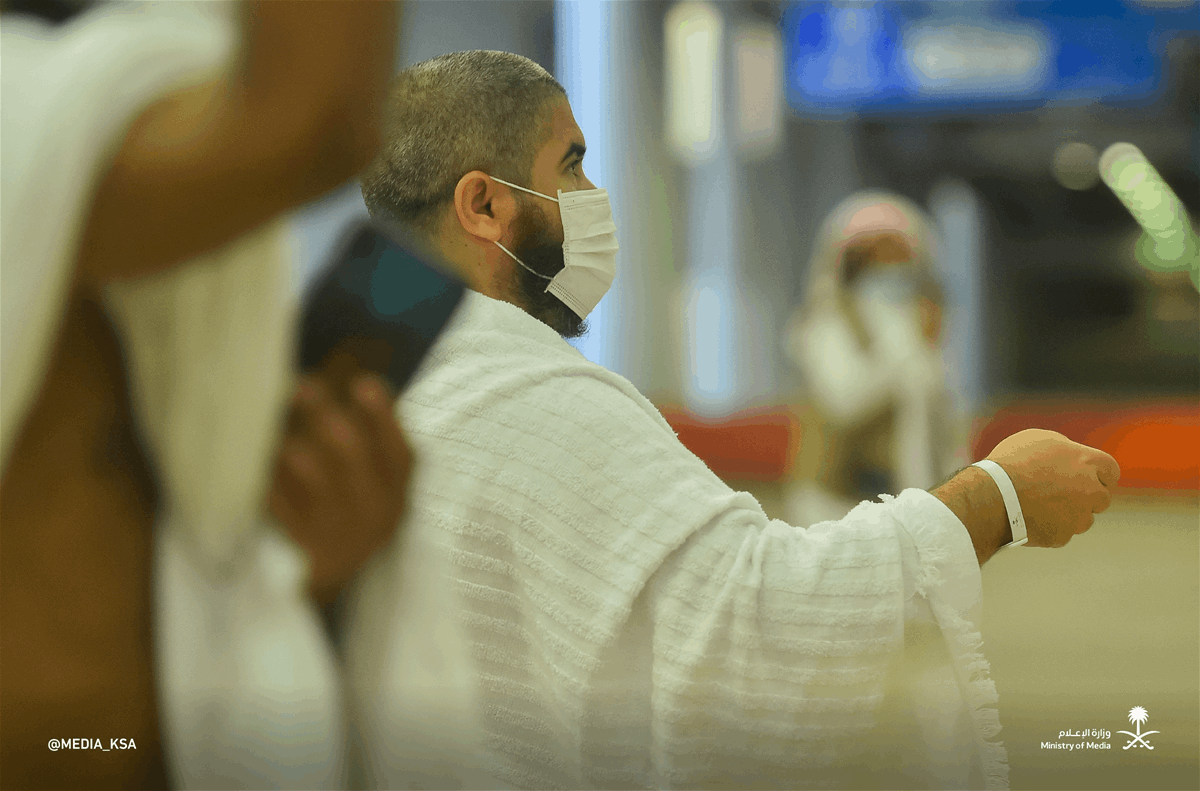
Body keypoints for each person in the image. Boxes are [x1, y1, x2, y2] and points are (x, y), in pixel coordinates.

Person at [348, 50, 1120, 790]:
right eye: (572, 166)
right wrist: (995, 498)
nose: (593, 193)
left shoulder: (358, 392)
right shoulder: (534, 405)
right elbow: (758, 639)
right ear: (484, 205)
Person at [0, 1, 409, 788]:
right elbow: (317, 120)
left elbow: (182, 584)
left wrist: (299, 573)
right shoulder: (39, 146)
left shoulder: (135, 221)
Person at [780, 191, 969, 528]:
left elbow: (940, 425)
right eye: (873, 258)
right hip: (835, 509)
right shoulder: (825, 324)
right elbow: (844, 402)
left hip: (911, 512)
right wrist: (907, 344)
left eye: (898, 256)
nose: (888, 268)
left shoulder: (921, 327)